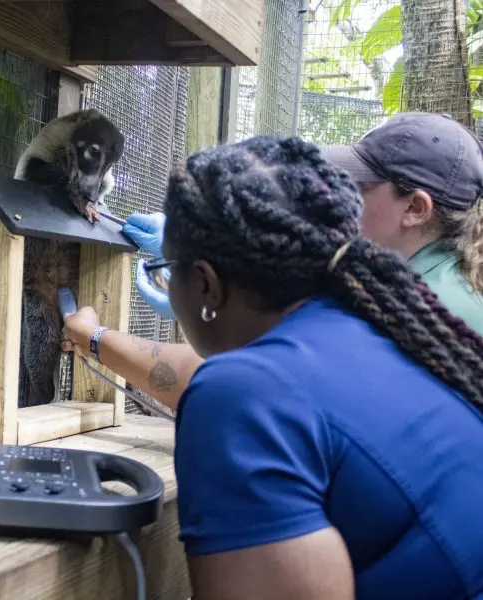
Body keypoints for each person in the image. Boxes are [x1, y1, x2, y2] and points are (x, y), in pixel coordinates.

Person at [61, 135, 483, 599]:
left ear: (205, 282)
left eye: (168, 267)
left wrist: (92, 337)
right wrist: (97, 338)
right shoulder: (387, 333)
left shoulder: (239, 394)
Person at [129, 112, 483, 334]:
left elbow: (266, 389)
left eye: (358, 186)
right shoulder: (432, 271)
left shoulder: (426, 309)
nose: (338, 195)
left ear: (416, 209)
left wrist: (97, 338)